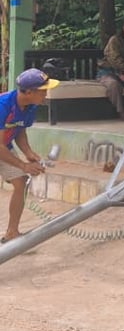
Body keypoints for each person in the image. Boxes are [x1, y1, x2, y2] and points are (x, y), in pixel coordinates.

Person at [0, 68, 59, 243]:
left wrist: (28, 153)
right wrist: (23, 165)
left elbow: (19, 130)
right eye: (43, 90)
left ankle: (12, 233)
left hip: (4, 146)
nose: (46, 94)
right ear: (28, 92)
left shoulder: (30, 106)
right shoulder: (3, 105)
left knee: (20, 182)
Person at [97, 16, 124, 120]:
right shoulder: (114, 40)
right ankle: (121, 112)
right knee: (114, 85)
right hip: (109, 71)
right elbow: (115, 60)